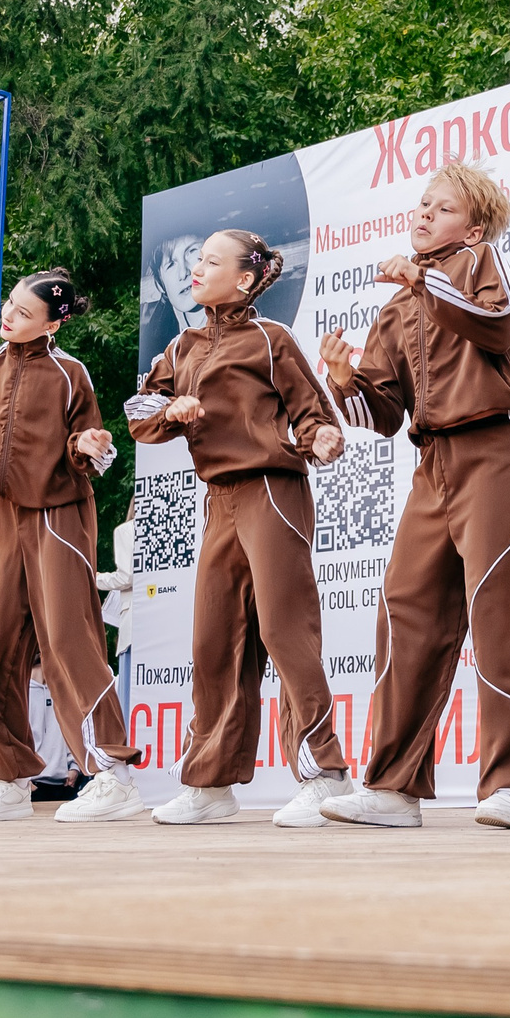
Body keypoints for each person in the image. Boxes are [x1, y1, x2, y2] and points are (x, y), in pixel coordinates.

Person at [316, 161, 510, 830]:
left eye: (442, 209)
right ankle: (393, 787)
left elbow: (495, 322)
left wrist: (422, 279)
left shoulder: (480, 265)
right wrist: (344, 380)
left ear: (472, 229)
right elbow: (383, 415)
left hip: (493, 451)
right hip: (432, 464)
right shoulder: (397, 307)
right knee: (405, 607)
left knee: (500, 612)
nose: (423, 214)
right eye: (422, 204)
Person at [126, 229, 352, 826]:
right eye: (196, 261)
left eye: (210, 261)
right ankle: (211, 784)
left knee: (284, 631)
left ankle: (325, 776)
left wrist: (321, 438)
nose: (196, 270)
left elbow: (312, 413)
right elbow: (139, 414)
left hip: (272, 491)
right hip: (218, 501)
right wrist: (170, 408)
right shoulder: (181, 347)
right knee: (214, 639)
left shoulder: (272, 339)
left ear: (245, 279)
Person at [0, 269, 149, 824]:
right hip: (6, 518)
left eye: (24, 313)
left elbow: (91, 448)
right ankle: (6, 778)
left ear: (53, 324)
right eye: (10, 304)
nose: (9, 316)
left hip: (60, 518)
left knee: (69, 641)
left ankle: (112, 775)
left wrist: (91, 446)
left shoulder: (71, 373)